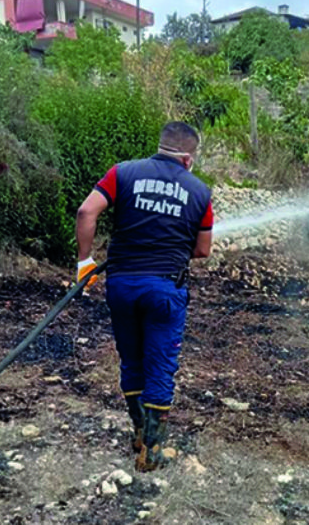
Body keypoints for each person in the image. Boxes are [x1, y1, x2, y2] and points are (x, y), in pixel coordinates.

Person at [75, 121, 213, 472]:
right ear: (188, 158)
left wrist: (85, 261)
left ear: (161, 146)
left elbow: (86, 211)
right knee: (161, 367)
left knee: (131, 361)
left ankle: (138, 433)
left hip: (121, 286)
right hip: (165, 289)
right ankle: (150, 452)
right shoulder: (199, 192)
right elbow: (202, 250)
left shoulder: (123, 173)